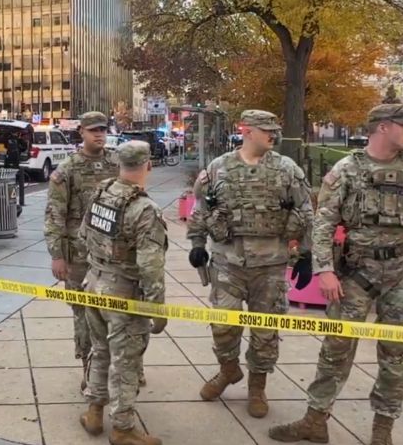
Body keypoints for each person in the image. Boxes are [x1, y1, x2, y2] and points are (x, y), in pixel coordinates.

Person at [268, 104, 403, 445]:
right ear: (383, 128)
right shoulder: (347, 170)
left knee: (396, 353)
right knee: (336, 347)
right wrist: (325, 270)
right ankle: (314, 421)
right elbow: (324, 224)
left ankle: (382, 432)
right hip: (355, 273)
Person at [186, 110, 314, 418]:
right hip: (228, 262)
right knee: (223, 325)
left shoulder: (286, 169)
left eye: (274, 130)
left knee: (265, 332)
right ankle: (228, 370)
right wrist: (196, 244)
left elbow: (307, 211)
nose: (272, 135)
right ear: (247, 131)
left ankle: (257, 387)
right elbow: (202, 207)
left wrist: (308, 254)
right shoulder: (219, 167)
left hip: (270, 265)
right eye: (266, 130)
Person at [77, 140, 167, 445]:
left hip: (93, 284)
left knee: (100, 351)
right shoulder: (145, 208)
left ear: (119, 164)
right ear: (149, 165)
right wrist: (157, 307)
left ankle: (94, 412)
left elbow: (82, 236)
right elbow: (150, 265)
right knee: (126, 361)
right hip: (124, 295)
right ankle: (123, 427)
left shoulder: (101, 192)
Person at [44, 111, 125, 391]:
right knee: (83, 315)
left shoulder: (117, 163)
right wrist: (57, 255)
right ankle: (89, 369)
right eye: (93, 130)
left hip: (115, 255)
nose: (99, 134)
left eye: (102, 129)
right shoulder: (67, 170)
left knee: (119, 312)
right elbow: (54, 215)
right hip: (79, 257)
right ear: (81, 132)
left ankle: (124, 367)